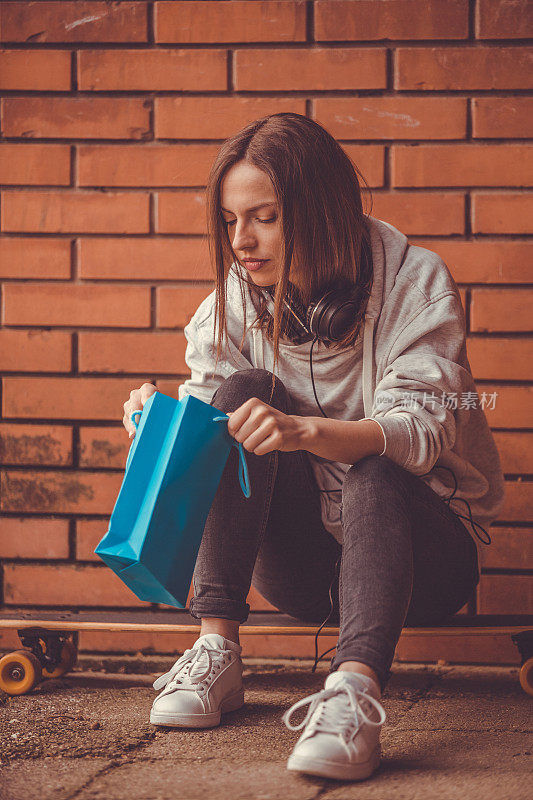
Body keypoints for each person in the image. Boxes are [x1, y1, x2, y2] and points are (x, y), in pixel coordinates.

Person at [122, 113, 504, 782]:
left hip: (425, 566)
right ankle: (216, 649)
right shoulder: (231, 305)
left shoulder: (414, 281)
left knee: (374, 465)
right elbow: (208, 428)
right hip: (303, 573)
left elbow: (418, 429)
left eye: (264, 217)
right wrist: (158, 434)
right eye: (230, 220)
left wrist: (305, 432)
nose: (241, 240)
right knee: (238, 392)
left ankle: (352, 695)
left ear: (320, 211)